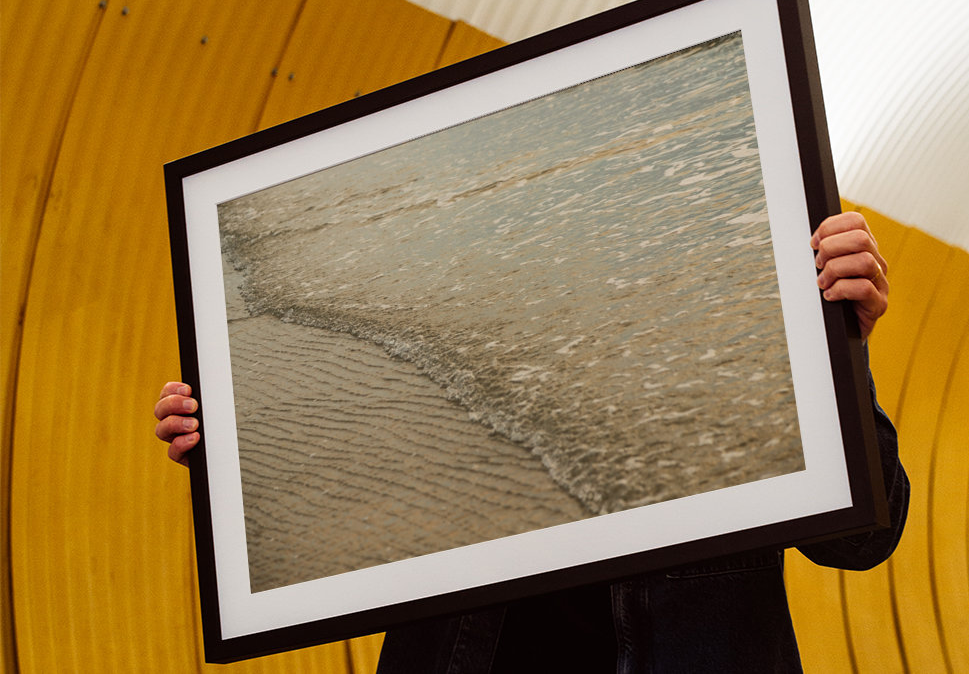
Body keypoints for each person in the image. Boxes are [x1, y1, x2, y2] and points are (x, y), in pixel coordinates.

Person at [155, 211, 909, 673]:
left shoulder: (742, 326)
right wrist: (236, 438)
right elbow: (342, 474)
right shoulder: (448, 372)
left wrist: (838, 348)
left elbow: (863, 539)